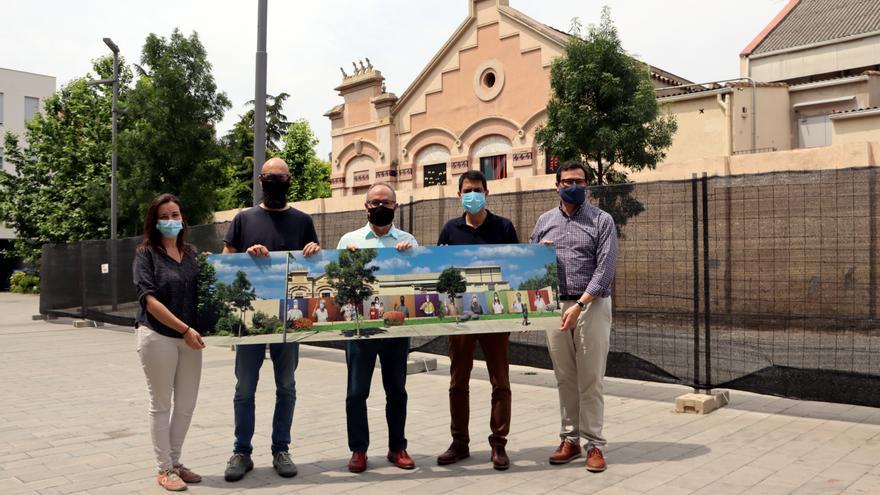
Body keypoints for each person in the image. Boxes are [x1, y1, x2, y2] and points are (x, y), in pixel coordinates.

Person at [222, 158, 321, 482]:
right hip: (250, 316)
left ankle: (281, 449)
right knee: (244, 389)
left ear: (289, 181)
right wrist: (244, 256)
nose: (276, 182)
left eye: (282, 178)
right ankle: (241, 452)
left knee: (287, 387)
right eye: (271, 178)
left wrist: (314, 252)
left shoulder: (303, 221)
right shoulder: (242, 219)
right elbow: (224, 265)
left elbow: (314, 269)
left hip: (289, 318)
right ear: (261, 180)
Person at [530, 160, 618, 473]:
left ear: (587, 185)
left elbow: (605, 269)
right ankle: (570, 439)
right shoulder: (544, 221)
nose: (573, 186)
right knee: (565, 377)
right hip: (555, 308)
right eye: (567, 181)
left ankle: (595, 443)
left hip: (590, 306)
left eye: (579, 182)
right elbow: (530, 261)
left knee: (591, 378)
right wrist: (539, 250)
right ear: (557, 186)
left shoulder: (601, 220)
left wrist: (580, 305)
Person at [436, 170, 519, 471]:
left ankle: (499, 445)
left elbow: (515, 267)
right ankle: (459, 443)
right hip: (461, 317)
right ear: (459, 195)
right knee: (458, 380)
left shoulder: (504, 227)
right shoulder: (450, 230)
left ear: (487, 193)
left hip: (495, 316)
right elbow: (440, 273)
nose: (473, 195)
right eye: (467, 190)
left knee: (501, 381)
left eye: (478, 190)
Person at [336, 182, 418, 473]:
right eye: (375, 202)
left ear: (396, 206)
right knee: (356, 392)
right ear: (365, 206)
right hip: (360, 329)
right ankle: (359, 450)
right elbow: (339, 286)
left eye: (386, 202)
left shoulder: (408, 240)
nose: (380, 207)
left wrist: (408, 258)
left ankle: (398, 447)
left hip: (396, 328)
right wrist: (348, 262)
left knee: (396, 390)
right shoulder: (349, 240)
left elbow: (414, 283)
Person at [132, 193, 206, 492]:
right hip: (157, 336)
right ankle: (164, 469)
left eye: (176, 215)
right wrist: (184, 328)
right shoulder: (145, 254)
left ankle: (176, 462)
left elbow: (210, 285)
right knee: (161, 404)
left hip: (189, 339)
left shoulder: (191, 253)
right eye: (165, 216)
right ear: (154, 221)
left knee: (186, 405)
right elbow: (148, 300)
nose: (171, 221)